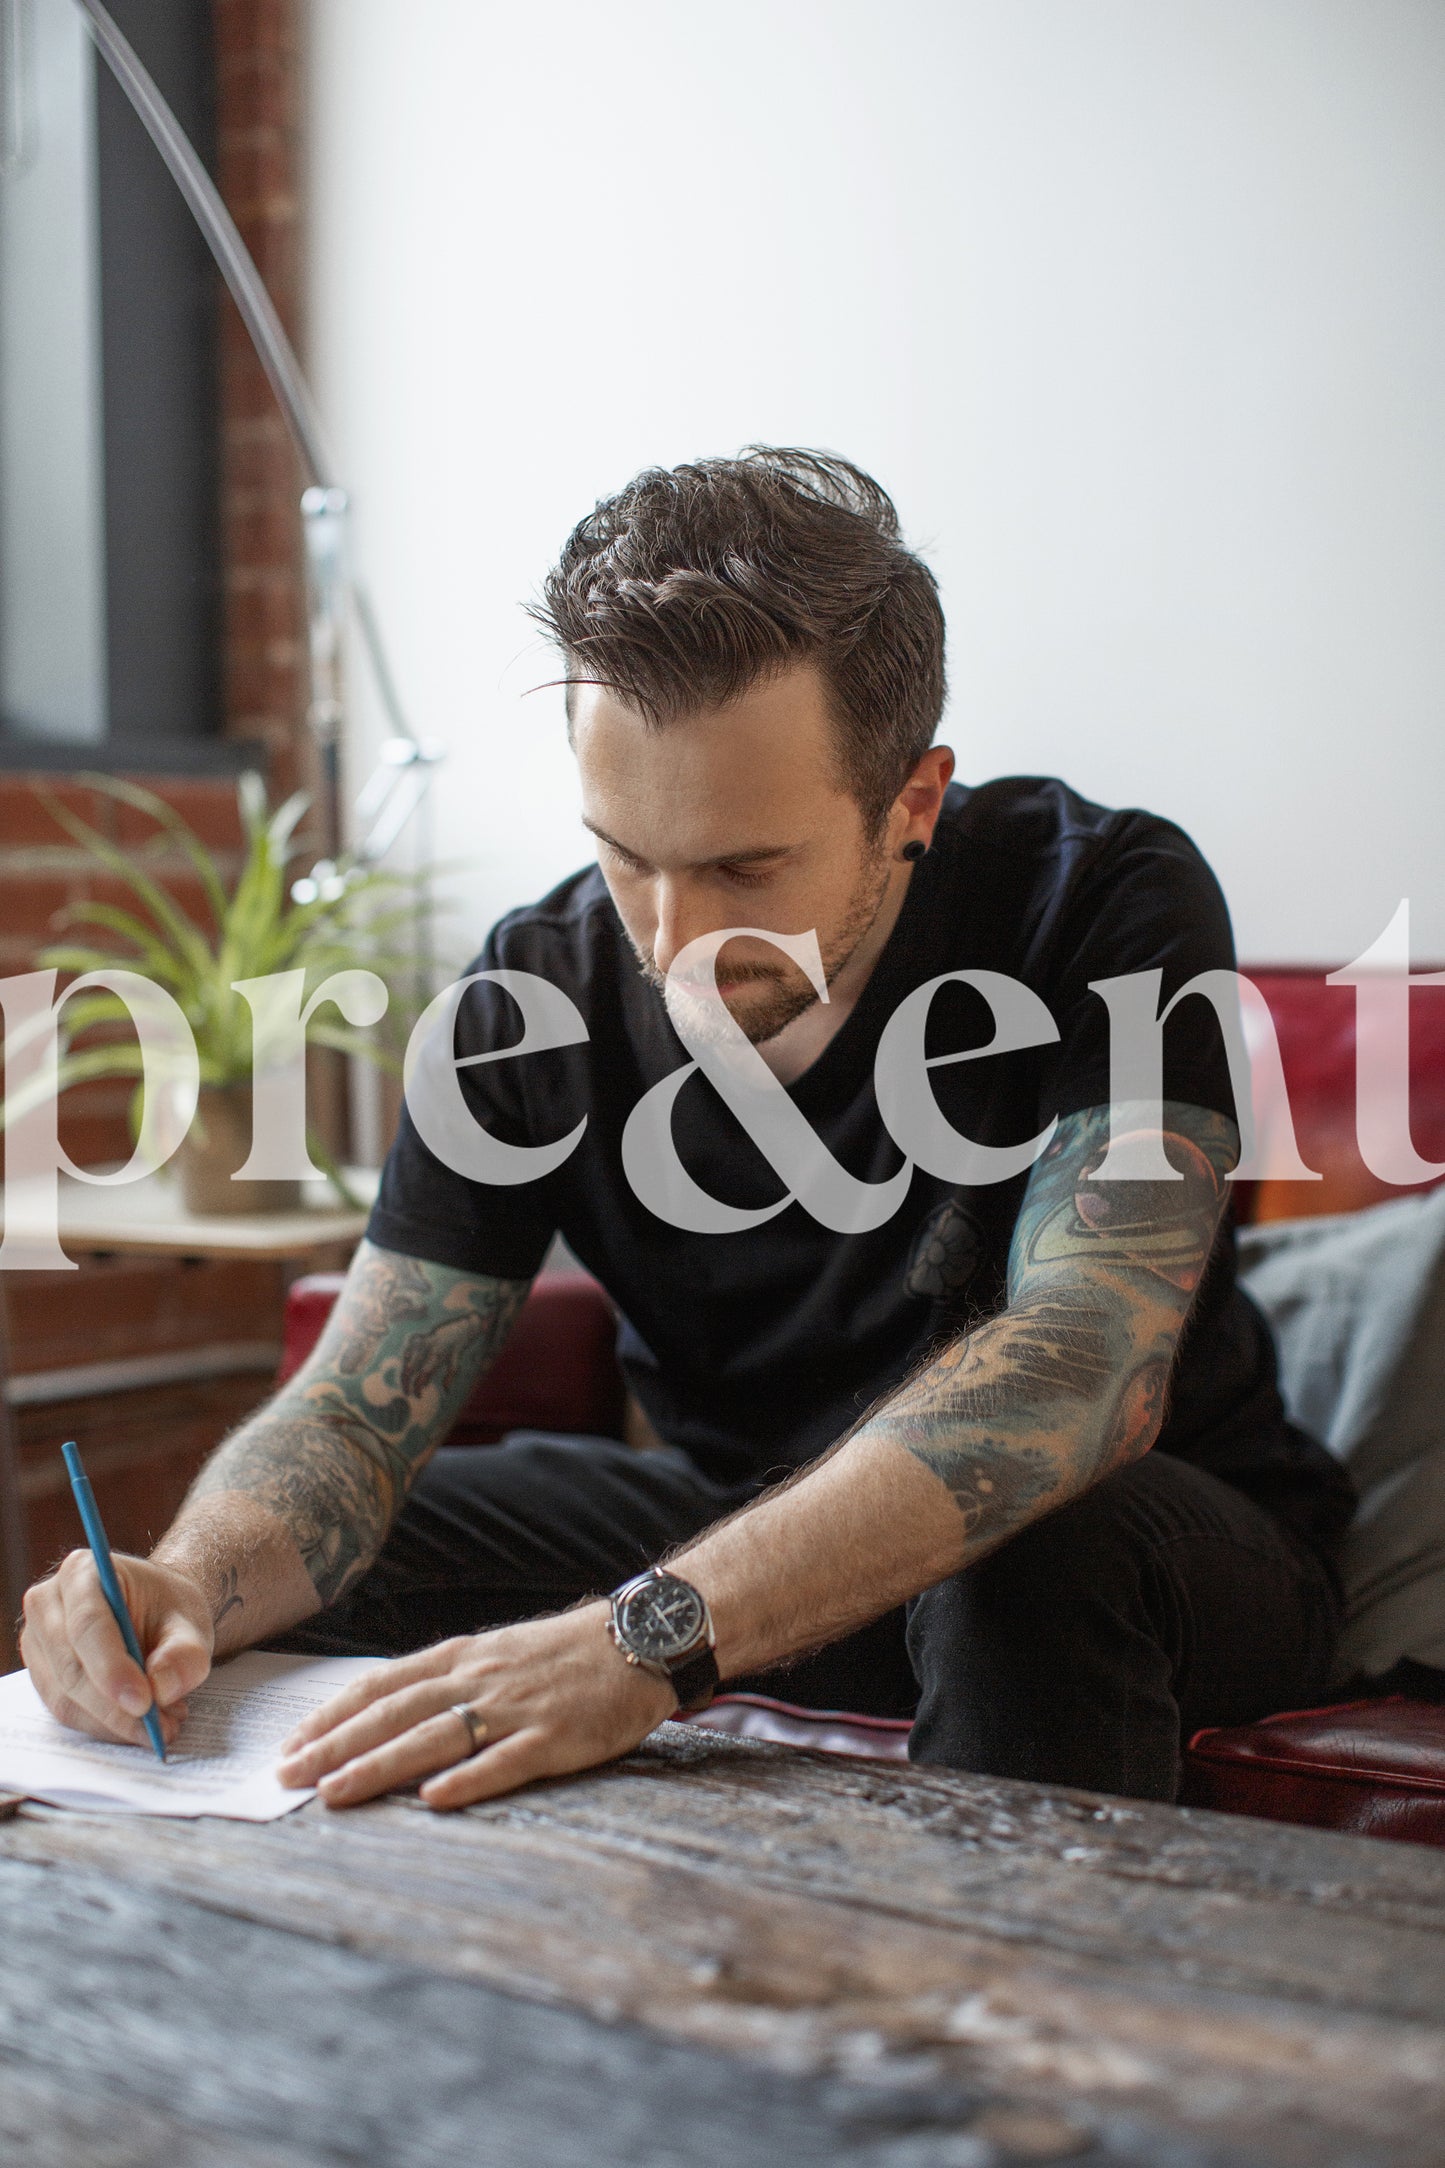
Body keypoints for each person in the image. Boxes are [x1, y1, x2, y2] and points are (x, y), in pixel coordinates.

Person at [20, 449, 1353, 1812]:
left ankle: (978, 1963)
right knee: (350, 1555)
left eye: (743, 867)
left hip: (1147, 1548)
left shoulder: (1101, 897)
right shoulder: (530, 995)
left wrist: (644, 1641)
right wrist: (188, 1582)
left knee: (1026, 1553)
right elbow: (356, 1411)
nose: (674, 942)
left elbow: (1084, 1363)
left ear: (911, 800)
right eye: (626, 855)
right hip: (733, 1524)